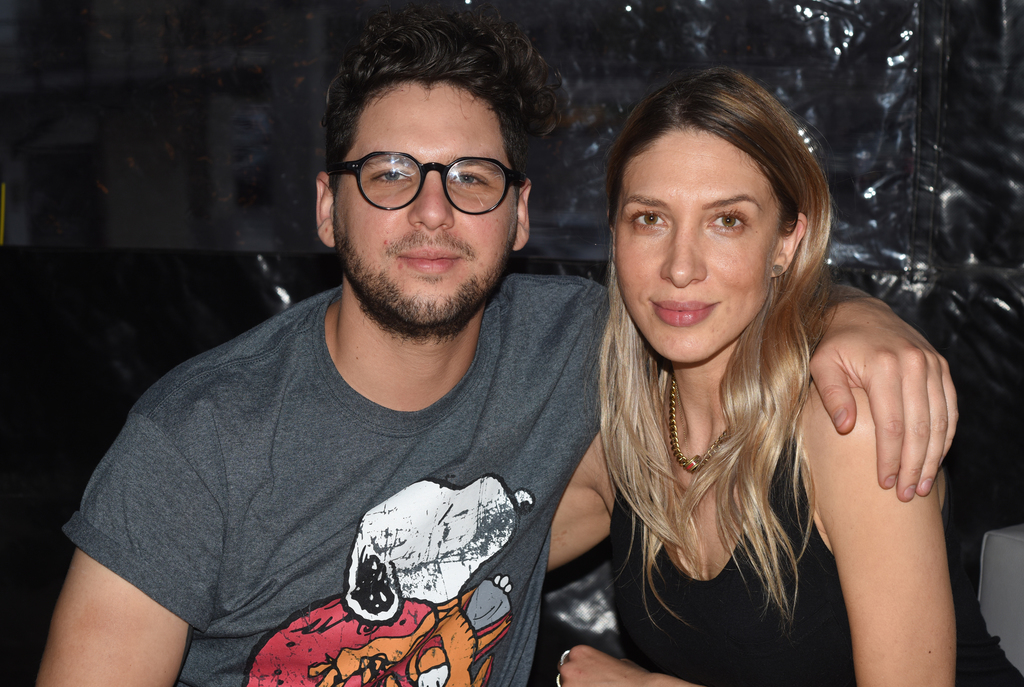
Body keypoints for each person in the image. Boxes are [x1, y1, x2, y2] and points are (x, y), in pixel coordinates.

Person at [37, 7, 955, 687]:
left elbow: (730, 302)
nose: (432, 211)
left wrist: (852, 317)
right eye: (390, 173)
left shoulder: (582, 350)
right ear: (325, 206)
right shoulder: (197, 441)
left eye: (470, 178)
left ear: (518, 215)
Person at [552, 67, 1023, 687]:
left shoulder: (847, 426)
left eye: (727, 220)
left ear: (785, 242)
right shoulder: (623, 444)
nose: (680, 267)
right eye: (650, 219)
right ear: (615, 233)